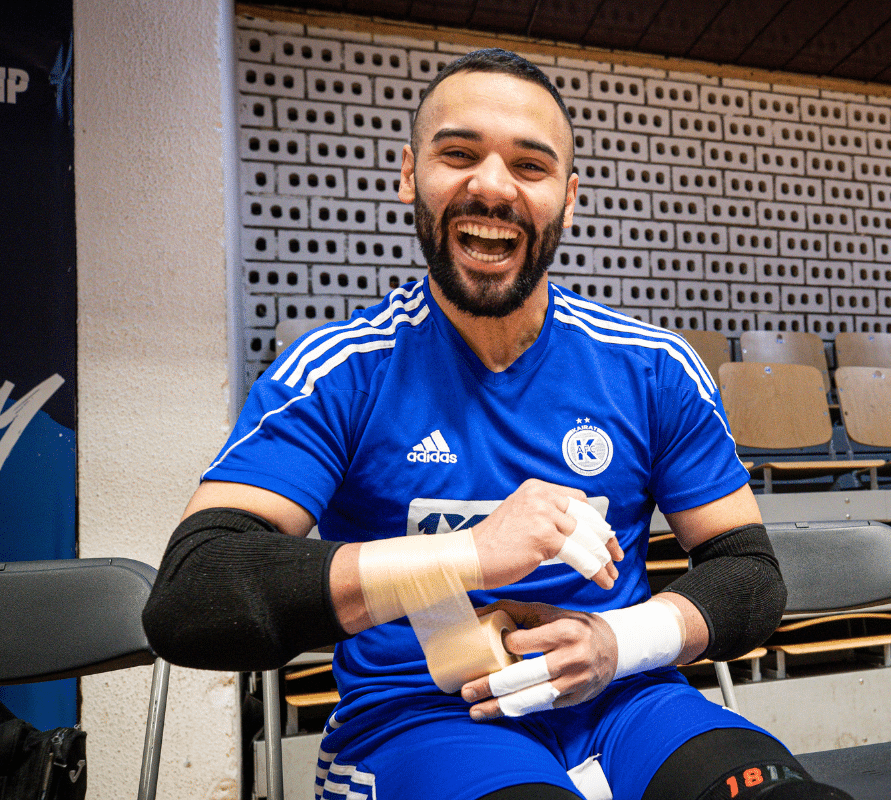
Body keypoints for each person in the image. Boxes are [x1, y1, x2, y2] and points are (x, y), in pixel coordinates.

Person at [143, 49, 850, 800]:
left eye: (530, 166)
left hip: (628, 701)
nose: (491, 185)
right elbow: (195, 593)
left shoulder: (652, 368)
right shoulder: (339, 370)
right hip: (419, 717)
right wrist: (467, 556)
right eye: (458, 154)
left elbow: (748, 574)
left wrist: (617, 642)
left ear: (568, 199)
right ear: (410, 174)